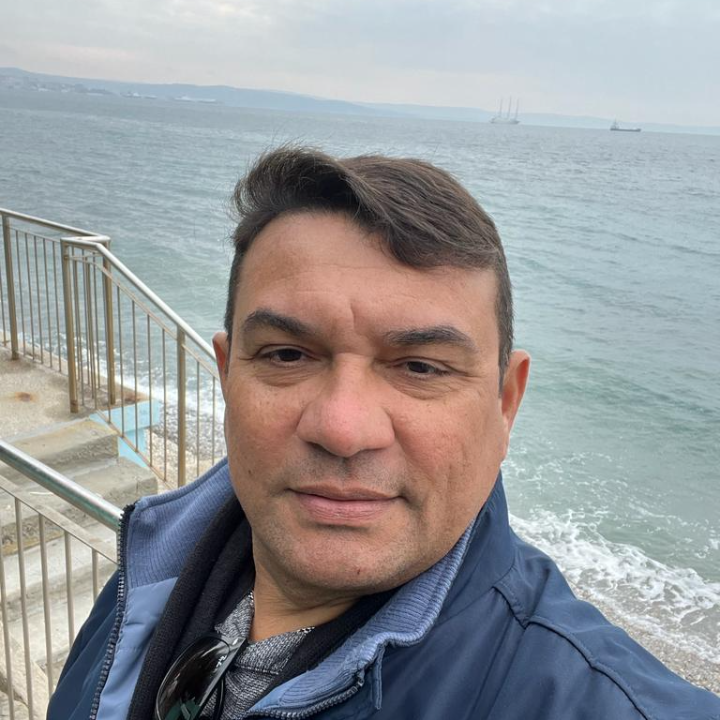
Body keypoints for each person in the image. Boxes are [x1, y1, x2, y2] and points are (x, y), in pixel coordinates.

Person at [49, 147, 719, 720]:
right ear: (227, 375)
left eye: (420, 367)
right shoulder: (150, 575)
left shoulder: (597, 700)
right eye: (287, 354)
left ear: (505, 403)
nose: (343, 429)